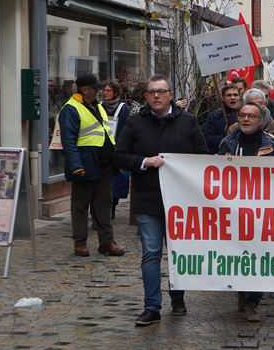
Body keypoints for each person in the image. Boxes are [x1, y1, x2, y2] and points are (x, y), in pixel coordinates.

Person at [113, 75, 208, 326]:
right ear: (146, 96)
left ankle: (178, 298)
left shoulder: (188, 122)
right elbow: (119, 156)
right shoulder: (135, 123)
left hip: (180, 203)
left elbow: (202, 157)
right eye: (152, 92)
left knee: (178, 253)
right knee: (151, 254)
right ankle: (152, 307)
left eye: (161, 91)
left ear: (170, 95)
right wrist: (144, 161)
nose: (156, 95)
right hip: (148, 200)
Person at [218, 101, 274, 322]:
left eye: (251, 116)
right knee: (238, 252)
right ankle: (242, 290)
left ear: (261, 121)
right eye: (242, 115)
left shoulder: (272, 145)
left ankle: (252, 301)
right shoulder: (228, 143)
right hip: (234, 207)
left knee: (258, 253)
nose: (245, 119)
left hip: (262, 209)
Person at [58, 73, 124, 258]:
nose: (98, 90)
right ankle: (80, 243)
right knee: (80, 204)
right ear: (85, 90)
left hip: (104, 163)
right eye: (95, 88)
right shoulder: (70, 109)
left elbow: (105, 132)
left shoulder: (97, 106)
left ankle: (106, 241)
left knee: (103, 203)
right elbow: (68, 140)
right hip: (85, 164)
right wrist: (76, 165)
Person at [225, 89, 274, 156]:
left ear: (265, 104)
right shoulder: (233, 130)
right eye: (252, 104)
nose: (257, 107)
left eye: (260, 103)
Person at [101, 81, 131, 219]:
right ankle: (101, 210)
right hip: (101, 148)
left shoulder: (123, 109)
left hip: (117, 148)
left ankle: (112, 206)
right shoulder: (98, 106)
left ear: (115, 93)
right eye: (104, 90)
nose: (105, 92)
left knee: (117, 179)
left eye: (108, 90)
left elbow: (128, 128)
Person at [204, 83, 241, 154]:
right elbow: (208, 140)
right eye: (229, 95)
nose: (232, 98)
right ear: (223, 98)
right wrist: (224, 136)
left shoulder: (246, 115)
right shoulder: (215, 117)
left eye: (235, 95)